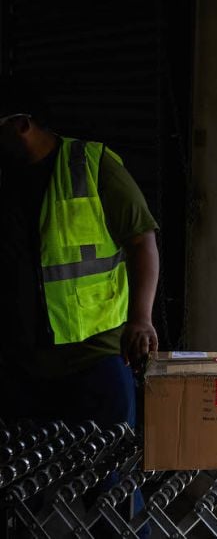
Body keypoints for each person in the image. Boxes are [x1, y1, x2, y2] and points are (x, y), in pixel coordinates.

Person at [0, 79, 159, 536]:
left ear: (22, 125)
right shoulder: (4, 176)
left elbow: (141, 240)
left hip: (92, 359)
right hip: (20, 364)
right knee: (22, 487)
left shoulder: (91, 164)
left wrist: (142, 318)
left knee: (108, 484)